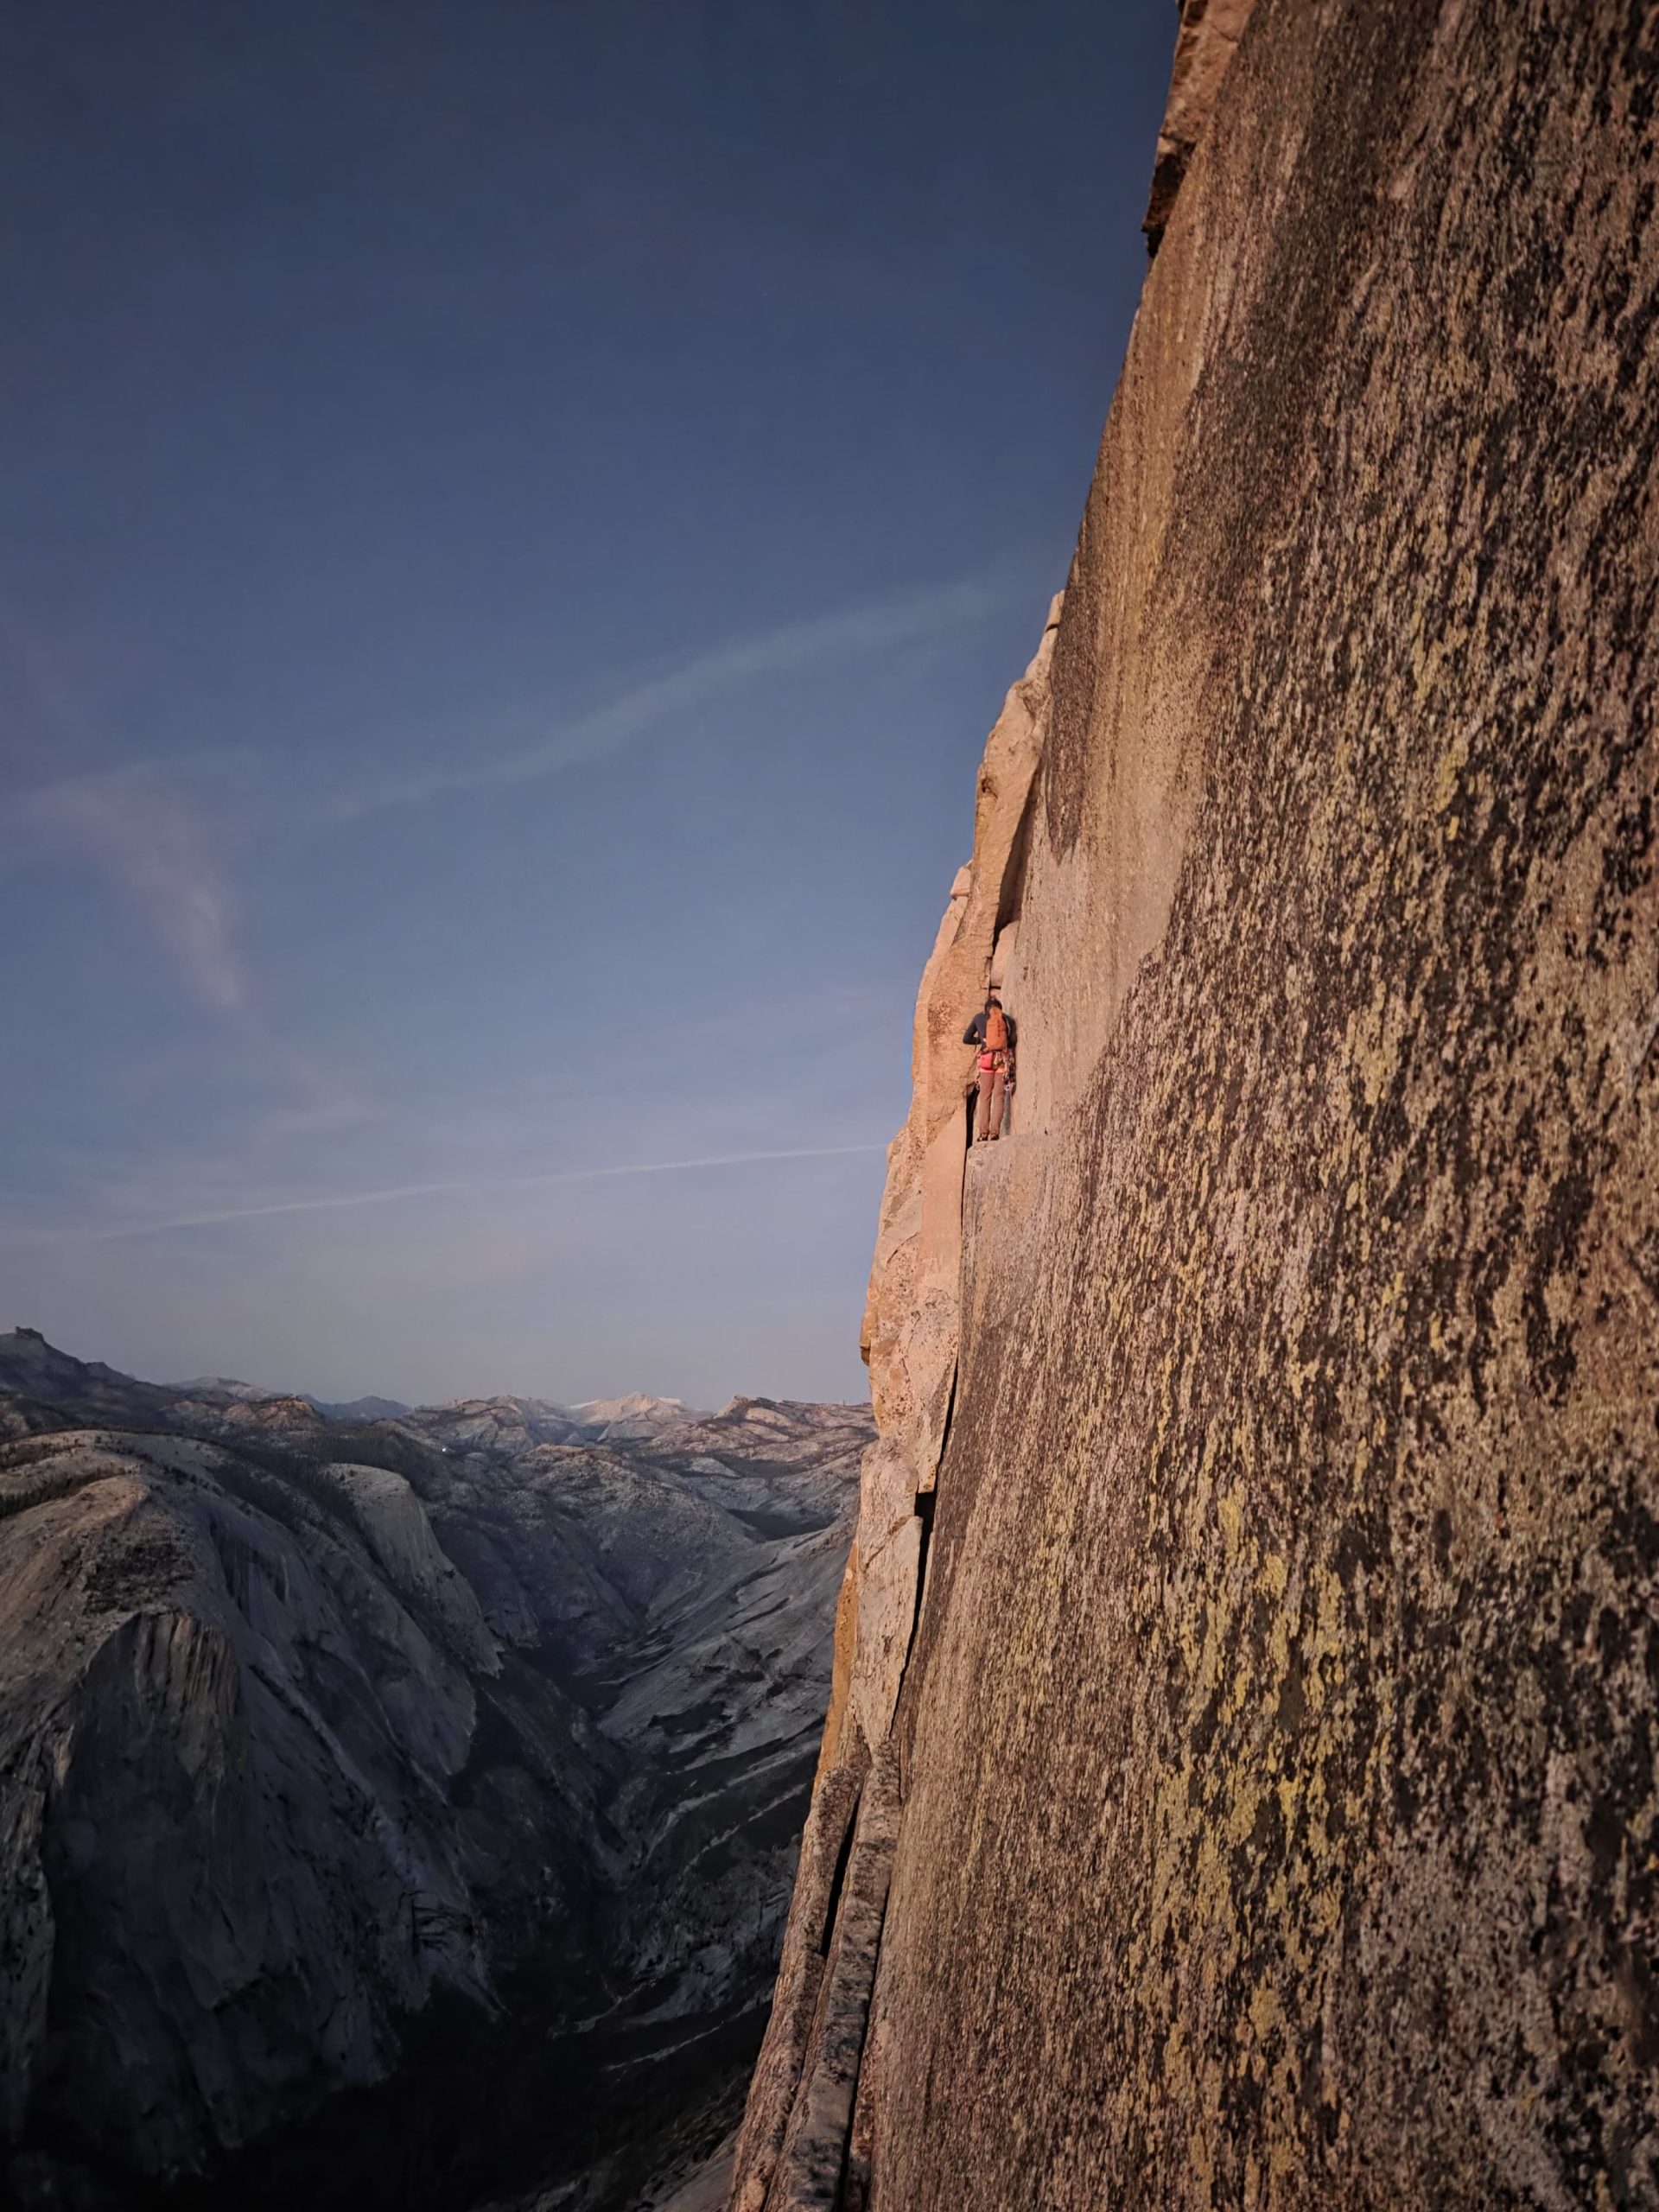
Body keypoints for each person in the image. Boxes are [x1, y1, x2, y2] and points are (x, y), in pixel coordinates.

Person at [963, 993, 1017, 1143]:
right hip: (1001, 1060)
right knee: (999, 1097)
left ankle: (983, 1133)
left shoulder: (978, 1018)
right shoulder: (1007, 1019)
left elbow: (966, 1038)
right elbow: (1012, 1040)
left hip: (986, 1061)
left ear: (985, 1009)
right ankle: (994, 1133)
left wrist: (981, 1041)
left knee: (985, 1097)